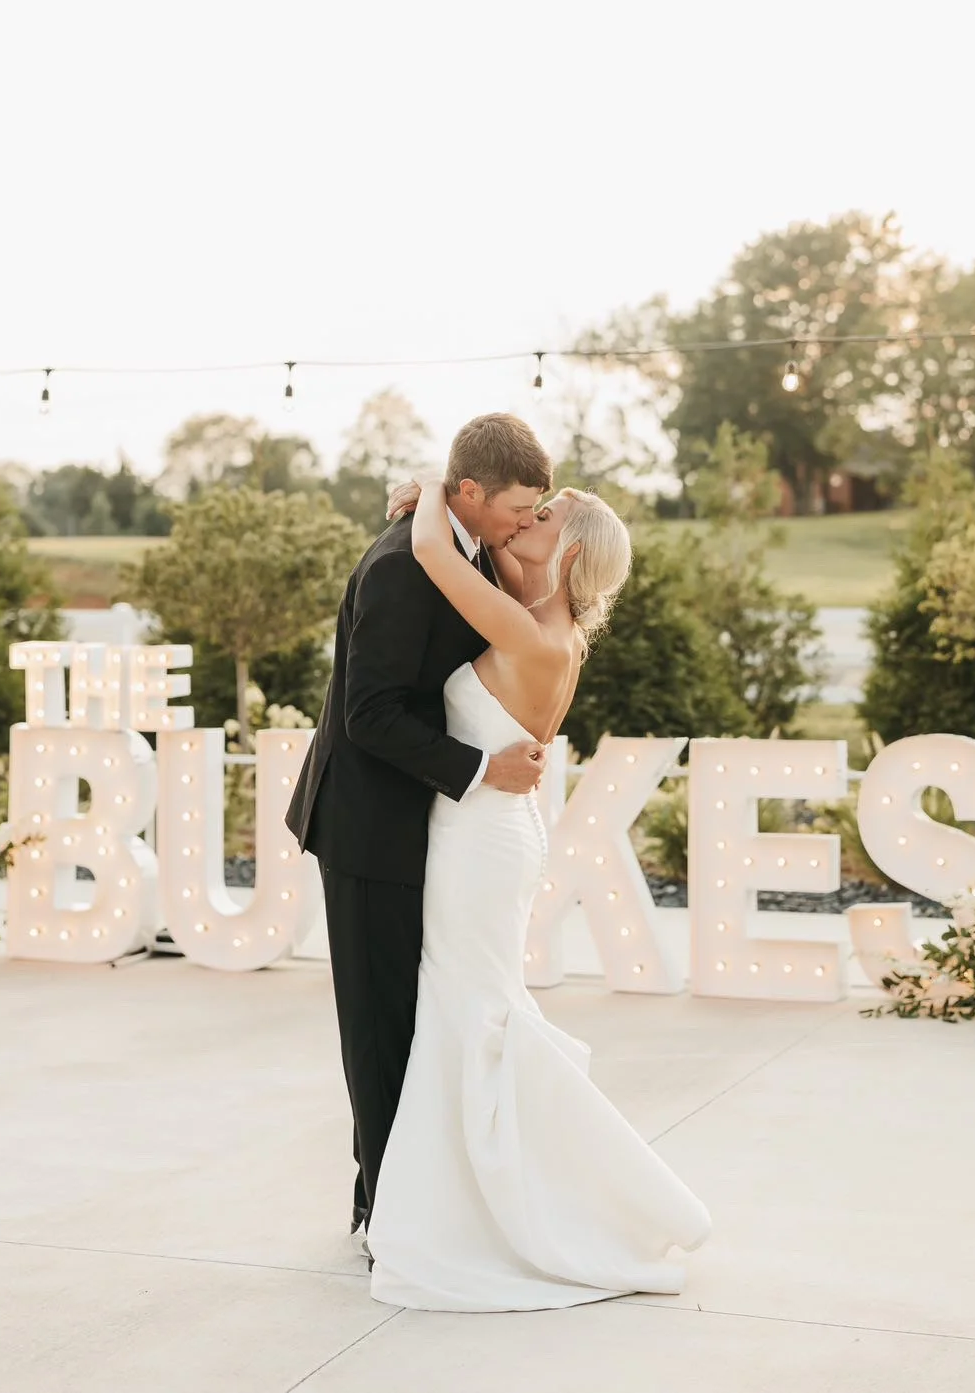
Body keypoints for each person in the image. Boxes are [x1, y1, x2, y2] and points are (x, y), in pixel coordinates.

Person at [365, 473, 711, 1311]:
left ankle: (494, 1213)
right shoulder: (547, 626)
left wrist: (433, 488)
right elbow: (482, 559)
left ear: (572, 550)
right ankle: (472, 1199)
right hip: (492, 829)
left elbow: (431, 549)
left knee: (471, 1011)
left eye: (543, 515)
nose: (525, 518)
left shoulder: (531, 635)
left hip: (479, 841)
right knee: (471, 1007)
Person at [284, 413, 554, 1253]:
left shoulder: (460, 544)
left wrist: (429, 493)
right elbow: (368, 714)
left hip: (418, 825)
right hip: (367, 827)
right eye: (516, 506)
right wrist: (480, 769)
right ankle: (385, 1215)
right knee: (378, 1027)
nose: (524, 521)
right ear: (469, 491)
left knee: (409, 1021)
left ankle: (393, 1195)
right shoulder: (405, 564)